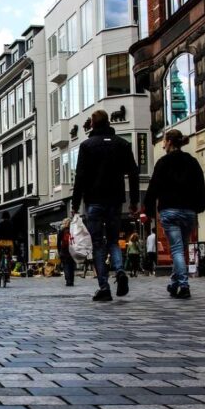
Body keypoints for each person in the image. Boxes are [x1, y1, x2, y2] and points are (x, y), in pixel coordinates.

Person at [72, 109, 140, 302]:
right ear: (109, 122)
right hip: (115, 201)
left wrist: (75, 204)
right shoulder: (122, 144)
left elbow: (80, 177)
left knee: (98, 244)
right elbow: (134, 173)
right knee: (112, 241)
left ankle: (104, 287)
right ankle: (119, 270)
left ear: (92, 125)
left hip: (93, 201)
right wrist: (134, 200)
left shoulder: (87, 146)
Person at [141, 129, 205, 299]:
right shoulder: (192, 162)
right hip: (188, 212)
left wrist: (147, 209)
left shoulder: (163, 163)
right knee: (181, 248)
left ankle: (184, 285)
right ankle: (175, 283)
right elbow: (200, 185)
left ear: (169, 142)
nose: (162, 144)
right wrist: (200, 206)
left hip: (170, 211)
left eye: (163, 140)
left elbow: (153, 187)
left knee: (177, 249)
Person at [56, 218, 75, 287]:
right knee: (72, 266)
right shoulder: (73, 230)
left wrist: (59, 251)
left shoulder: (61, 230)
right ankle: (72, 281)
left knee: (66, 266)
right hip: (72, 250)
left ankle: (68, 281)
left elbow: (58, 242)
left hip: (64, 251)